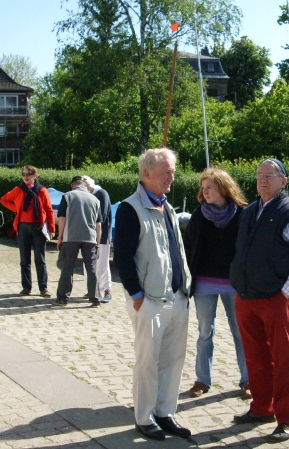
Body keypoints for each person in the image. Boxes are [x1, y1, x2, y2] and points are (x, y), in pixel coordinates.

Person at [229, 158, 289, 444]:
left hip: (274, 299)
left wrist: (284, 294)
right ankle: (262, 407)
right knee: (255, 357)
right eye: (259, 175)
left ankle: (287, 418)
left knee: (282, 359)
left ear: (284, 181)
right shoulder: (250, 211)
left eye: (270, 175)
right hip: (246, 296)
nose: (263, 180)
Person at [114, 148, 192, 441]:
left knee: (173, 358)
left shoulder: (166, 206)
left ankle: (165, 412)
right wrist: (136, 295)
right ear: (146, 174)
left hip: (177, 297)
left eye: (173, 172)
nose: (171, 177)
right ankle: (144, 417)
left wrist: (186, 289)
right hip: (149, 300)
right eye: (166, 172)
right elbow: (122, 257)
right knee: (147, 361)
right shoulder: (129, 208)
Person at [183, 168, 251, 400]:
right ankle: (202, 380)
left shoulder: (242, 214)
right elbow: (188, 246)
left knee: (241, 333)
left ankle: (248, 380)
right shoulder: (199, 214)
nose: (205, 192)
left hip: (235, 284)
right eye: (203, 188)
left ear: (223, 187)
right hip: (204, 283)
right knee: (205, 333)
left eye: (209, 187)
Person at [0, 166, 56, 297]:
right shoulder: (18, 189)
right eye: (23, 174)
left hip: (38, 227)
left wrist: (52, 228)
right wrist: (17, 209)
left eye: (29, 174)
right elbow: (4, 200)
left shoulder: (42, 190)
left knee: (40, 259)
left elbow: (49, 210)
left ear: (35, 175)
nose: (26, 177)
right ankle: (26, 287)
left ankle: (43, 288)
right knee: (24, 260)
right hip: (23, 227)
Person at [52, 176, 102, 307]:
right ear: (85, 186)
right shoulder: (95, 199)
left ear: (73, 185)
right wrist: (97, 241)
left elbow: (62, 218)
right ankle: (95, 298)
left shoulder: (67, 196)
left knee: (67, 268)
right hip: (90, 238)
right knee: (91, 269)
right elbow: (98, 224)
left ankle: (63, 298)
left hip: (71, 237)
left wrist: (60, 237)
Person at [80, 176, 113, 303]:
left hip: (102, 235)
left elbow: (102, 216)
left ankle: (107, 290)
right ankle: (92, 289)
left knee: (102, 264)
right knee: (88, 263)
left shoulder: (102, 194)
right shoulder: (87, 195)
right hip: (88, 235)